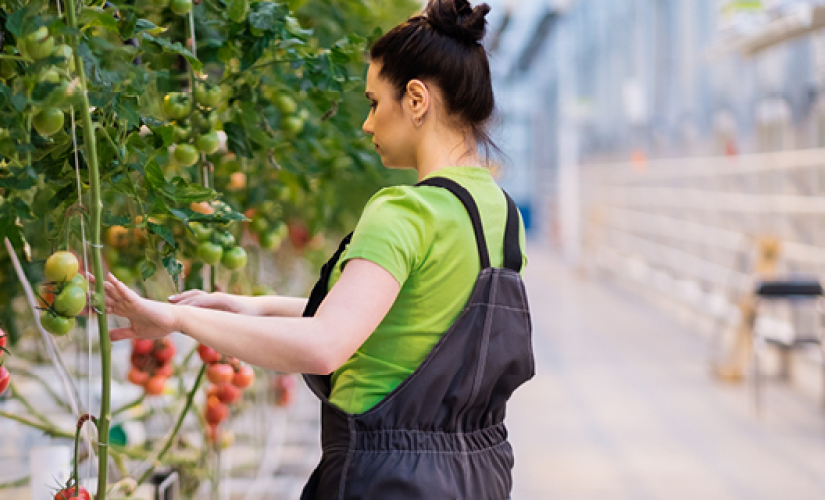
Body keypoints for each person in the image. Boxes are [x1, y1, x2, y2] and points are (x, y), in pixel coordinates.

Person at [98, 0, 535, 497]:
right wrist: (250, 307)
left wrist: (177, 320)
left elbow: (324, 346)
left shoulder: (405, 211)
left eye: (374, 102)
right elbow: (403, 317)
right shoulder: (498, 213)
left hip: (389, 478)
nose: (367, 124)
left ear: (416, 100)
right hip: (474, 475)